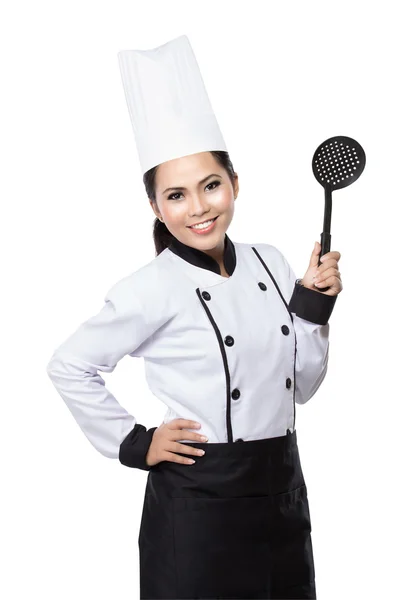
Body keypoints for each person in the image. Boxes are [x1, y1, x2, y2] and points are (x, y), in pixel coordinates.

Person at [46, 35, 342, 599]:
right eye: (176, 196)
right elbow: (68, 365)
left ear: (235, 183)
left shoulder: (270, 261)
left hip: (282, 494)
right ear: (156, 207)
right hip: (196, 507)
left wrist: (313, 306)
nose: (199, 208)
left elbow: (302, 388)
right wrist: (137, 443)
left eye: (210, 185)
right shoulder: (150, 287)